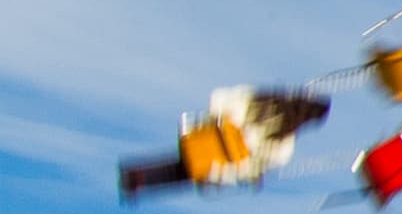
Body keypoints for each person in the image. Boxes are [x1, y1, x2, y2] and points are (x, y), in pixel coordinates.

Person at [120, 86, 332, 201]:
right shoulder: (284, 143)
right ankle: (136, 178)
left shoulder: (264, 98)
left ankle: (136, 176)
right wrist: (251, 176)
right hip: (223, 159)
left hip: (209, 136)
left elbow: (224, 99)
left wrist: (220, 121)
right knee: (186, 171)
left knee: (184, 162)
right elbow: (258, 165)